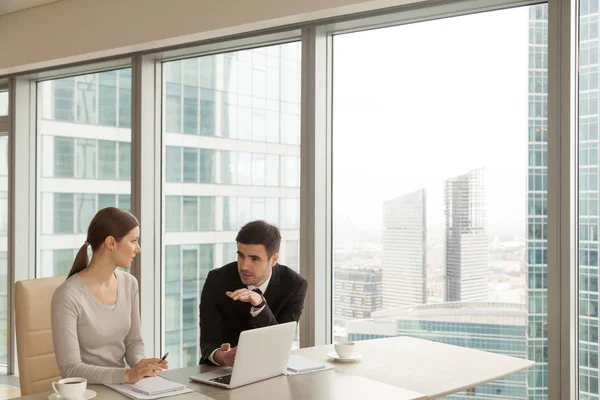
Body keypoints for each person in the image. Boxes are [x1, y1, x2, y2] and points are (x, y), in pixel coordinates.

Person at [51, 207, 168, 384]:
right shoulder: (68, 295)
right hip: (88, 392)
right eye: (134, 241)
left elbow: (133, 341)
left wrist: (140, 367)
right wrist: (126, 375)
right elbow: (70, 369)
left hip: (122, 387)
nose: (138, 249)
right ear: (111, 243)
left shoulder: (129, 283)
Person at [199, 220, 308, 366]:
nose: (244, 266)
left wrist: (260, 306)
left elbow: (280, 344)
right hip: (221, 371)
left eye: (254, 259)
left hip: (268, 369)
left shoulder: (294, 285)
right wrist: (220, 356)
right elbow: (208, 341)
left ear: (274, 259)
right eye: (241, 255)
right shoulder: (217, 279)